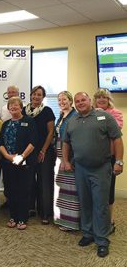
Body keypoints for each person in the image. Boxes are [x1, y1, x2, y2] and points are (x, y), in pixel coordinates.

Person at [63, 92, 124, 258]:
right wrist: (66, 161)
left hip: (101, 168)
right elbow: (66, 142)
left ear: (90, 101)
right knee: (85, 202)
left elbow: (117, 139)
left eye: (83, 100)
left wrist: (119, 162)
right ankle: (88, 233)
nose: (80, 103)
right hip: (80, 169)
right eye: (77, 101)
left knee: (101, 205)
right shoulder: (72, 120)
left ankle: (102, 240)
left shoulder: (104, 116)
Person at [0, 97, 38, 230]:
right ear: (8, 109)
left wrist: (21, 157)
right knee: (10, 190)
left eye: (16, 105)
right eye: (11, 106)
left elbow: (33, 142)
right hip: (8, 162)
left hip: (24, 162)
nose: (13, 107)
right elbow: (0, 144)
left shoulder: (29, 121)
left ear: (21, 107)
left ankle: (22, 218)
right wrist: (8, 157)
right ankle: (13, 216)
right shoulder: (5, 124)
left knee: (23, 190)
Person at [23, 85, 55, 224]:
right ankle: (30, 208)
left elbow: (50, 133)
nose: (36, 97)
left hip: (44, 152)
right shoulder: (24, 110)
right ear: (30, 95)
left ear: (43, 97)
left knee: (44, 182)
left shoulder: (47, 111)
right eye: (34, 94)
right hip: (28, 152)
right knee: (28, 180)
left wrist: (43, 150)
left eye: (39, 95)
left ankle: (45, 213)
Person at [93, 88, 123, 231]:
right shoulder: (91, 113)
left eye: (104, 97)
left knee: (108, 191)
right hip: (93, 157)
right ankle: (96, 220)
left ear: (108, 99)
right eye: (98, 98)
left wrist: (102, 115)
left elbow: (115, 131)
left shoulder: (116, 113)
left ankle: (110, 221)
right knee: (95, 191)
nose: (101, 100)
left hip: (109, 158)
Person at [53, 91, 80, 231]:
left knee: (71, 191)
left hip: (68, 157)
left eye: (64, 99)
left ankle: (72, 223)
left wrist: (67, 160)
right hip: (60, 157)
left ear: (70, 101)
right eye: (59, 100)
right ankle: (64, 219)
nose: (61, 102)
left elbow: (72, 140)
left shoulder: (74, 116)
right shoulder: (62, 115)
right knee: (63, 190)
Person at [0, 85, 20, 209]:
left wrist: (19, 156)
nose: (11, 94)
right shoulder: (3, 108)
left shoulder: (26, 117)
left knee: (20, 180)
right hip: (7, 152)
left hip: (21, 154)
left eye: (14, 92)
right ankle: (9, 201)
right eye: (9, 92)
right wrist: (7, 155)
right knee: (7, 179)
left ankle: (21, 205)